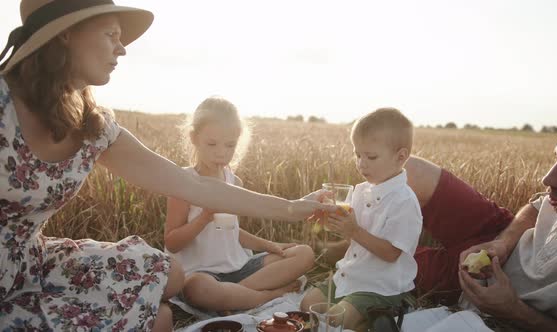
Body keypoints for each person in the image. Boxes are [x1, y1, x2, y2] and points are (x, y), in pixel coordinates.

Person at [0, 1, 333, 331]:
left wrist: (294, 207)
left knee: (167, 285)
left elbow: (198, 188)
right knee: (158, 318)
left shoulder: (92, 127)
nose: (122, 49)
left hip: (31, 261)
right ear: (65, 34)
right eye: (112, 35)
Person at [324, 113, 557, 331]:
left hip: (486, 295)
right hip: (498, 240)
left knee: (394, 261)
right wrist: (502, 244)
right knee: (403, 171)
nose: (548, 178)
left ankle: (338, 250)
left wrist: (513, 310)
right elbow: (537, 205)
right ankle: (339, 248)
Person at [165, 97, 315, 311]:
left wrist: (269, 245)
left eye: (230, 145)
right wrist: (205, 216)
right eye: (212, 144)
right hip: (201, 273)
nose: (221, 152)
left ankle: (237, 295)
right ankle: (270, 295)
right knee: (197, 289)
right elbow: (172, 243)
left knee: (304, 253)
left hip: (239, 267)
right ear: (194, 138)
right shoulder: (184, 184)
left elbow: (230, 232)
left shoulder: (233, 182)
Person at [300, 108, 423, 331]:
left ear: (401, 157)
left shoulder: (404, 202)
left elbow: (391, 254)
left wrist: (354, 231)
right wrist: (332, 223)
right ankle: (363, 317)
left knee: (335, 321)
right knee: (308, 305)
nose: (361, 163)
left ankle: (387, 313)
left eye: (371, 157)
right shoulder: (359, 191)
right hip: (350, 276)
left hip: (380, 287)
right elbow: (352, 238)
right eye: (358, 155)